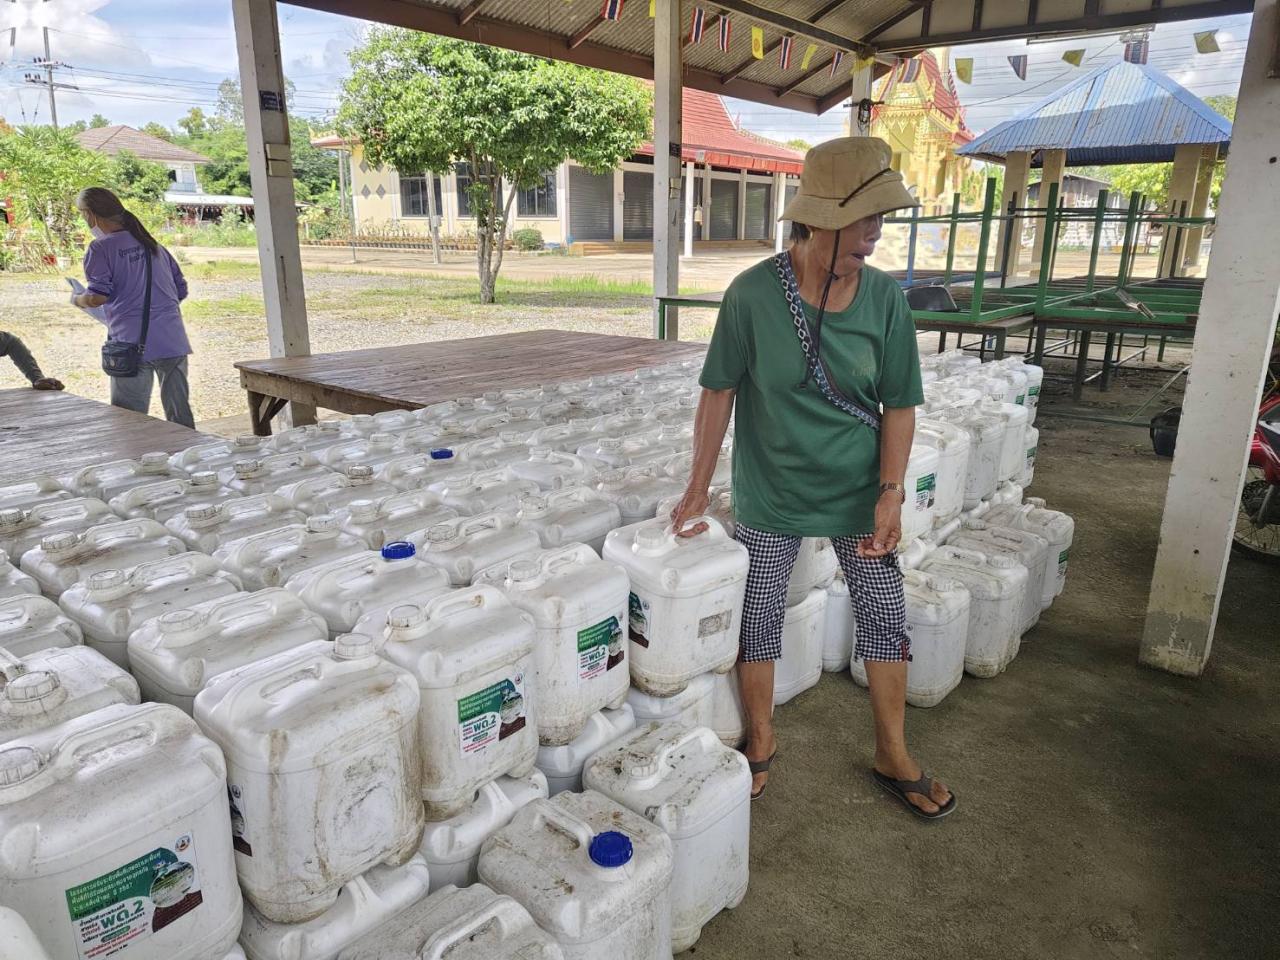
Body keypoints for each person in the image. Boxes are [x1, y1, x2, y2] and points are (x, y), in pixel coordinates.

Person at [669, 137, 955, 818]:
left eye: (880, 220)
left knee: (884, 612)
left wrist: (891, 492)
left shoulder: (884, 300)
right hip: (772, 490)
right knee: (760, 612)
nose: (875, 235)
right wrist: (697, 486)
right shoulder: (751, 296)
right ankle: (762, 736)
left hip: (859, 492)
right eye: (864, 221)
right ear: (819, 221)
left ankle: (892, 752)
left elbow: (900, 405)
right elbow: (718, 391)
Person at [70, 187, 195, 427]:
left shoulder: (100, 248)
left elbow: (97, 297)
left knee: (129, 422)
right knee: (181, 417)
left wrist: (77, 299)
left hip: (130, 343)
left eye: (81, 213)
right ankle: (191, 451)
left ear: (90, 214)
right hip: (172, 339)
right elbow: (180, 289)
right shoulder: (154, 245)